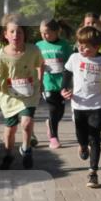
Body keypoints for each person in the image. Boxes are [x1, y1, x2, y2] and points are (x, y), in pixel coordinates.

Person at [0, 14, 44, 170]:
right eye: (12, 32)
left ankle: (26, 150)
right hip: (9, 97)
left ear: (24, 33)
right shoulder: (0, 57)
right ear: (5, 34)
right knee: (10, 129)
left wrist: (41, 80)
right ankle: (8, 155)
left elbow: (41, 64)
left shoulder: (33, 50)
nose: (15, 35)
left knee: (26, 123)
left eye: (19, 32)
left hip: (29, 94)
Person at [62, 25, 101, 188]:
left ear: (97, 47)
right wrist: (64, 89)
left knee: (95, 138)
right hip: (78, 104)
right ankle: (82, 146)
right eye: (79, 44)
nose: (81, 48)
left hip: (98, 105)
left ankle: (93, 173)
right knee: (82, 136)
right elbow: (66, 73)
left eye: (85, 46)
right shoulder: (74, 58)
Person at [37, 19, 74, 149]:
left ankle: (50, 123)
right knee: (53, 109)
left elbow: (70, 63)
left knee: (60, 111)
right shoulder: (39, 45)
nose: (44, 36)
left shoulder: (64, 45)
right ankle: (53, 137)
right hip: (48, 82)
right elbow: (35, 64)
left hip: (62, 83)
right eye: (42, 33)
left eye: (46, 33)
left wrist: (70, 83)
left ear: (56, 32)